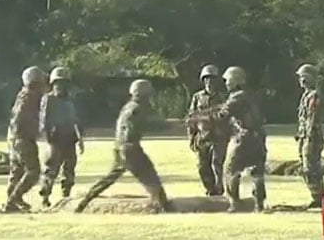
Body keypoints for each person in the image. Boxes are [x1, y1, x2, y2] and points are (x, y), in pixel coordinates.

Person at [74, 79, 173, 213]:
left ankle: (85, 201)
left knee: (109, 178)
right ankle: (164, 206)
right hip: (131, 149)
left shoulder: (128, 106)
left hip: (120, 147)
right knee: (150, 177)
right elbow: (145, 126)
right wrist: (167, 125)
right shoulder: (137, 108)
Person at [189, 66, 267, 212]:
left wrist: (200, 117)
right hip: (258, 137)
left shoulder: (236, 96)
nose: (225, 83)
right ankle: (259, 203)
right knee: (256, 171)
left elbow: (222, 114)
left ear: (234, 80)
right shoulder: (249, 94)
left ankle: (235, 203)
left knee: (229, 169)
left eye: (227, 80)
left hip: (244, 137)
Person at [38, 66, 85, 207]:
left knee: (69, 169)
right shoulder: (48, 99)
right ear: (53, 84)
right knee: (51, 169)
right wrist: (48, 136)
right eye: (58, 83)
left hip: (70, 138)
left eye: (63, 83)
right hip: (55, 139)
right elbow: (43, 119)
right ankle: (45, 197)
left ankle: (66, 196)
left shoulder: (71, 100)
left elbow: (77, 119)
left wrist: (80, 139)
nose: (61, 86)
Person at [4, 66, 46, 212]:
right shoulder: (30, 97)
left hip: (14, 138)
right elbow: (22, 119)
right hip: (23, 138)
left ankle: (13, 201)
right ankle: (14, 199)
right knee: (33, 171)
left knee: (16, 171)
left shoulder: (22, 95)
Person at [185, 65, 229, 196]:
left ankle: (219, 188)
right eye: (207, 79)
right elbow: (191, 118)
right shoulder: (197, 97)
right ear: (203, 81)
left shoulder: (223, 97)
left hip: (219, 137)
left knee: (217, 164)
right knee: (202, 165)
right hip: (202, 137)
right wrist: (191, 137)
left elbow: (228, 116)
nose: (209, 82)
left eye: (212, 79)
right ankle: (210, 188)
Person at [294, 63, 324, 208]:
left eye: (304, 77)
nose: (302, 80)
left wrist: (309, 137)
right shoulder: (305, 95)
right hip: (304, 136)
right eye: (300, 77)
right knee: (306, 166)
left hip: (312, 136)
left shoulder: (314, 95)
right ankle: (317, 196)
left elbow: (312, 117)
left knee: (311, 167)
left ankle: (318, 197)